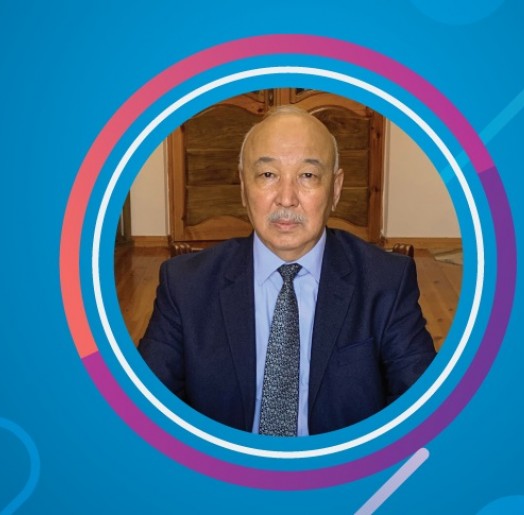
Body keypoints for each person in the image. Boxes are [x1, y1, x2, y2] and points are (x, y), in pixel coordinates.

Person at [138, 106, 435, 436]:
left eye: (308, 176)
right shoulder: (185, 285)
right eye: (268, 175)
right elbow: (149, 413)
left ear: (335, 189)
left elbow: (421, 413)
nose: (286, 198)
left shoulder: (387, 282)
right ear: (243, 186)